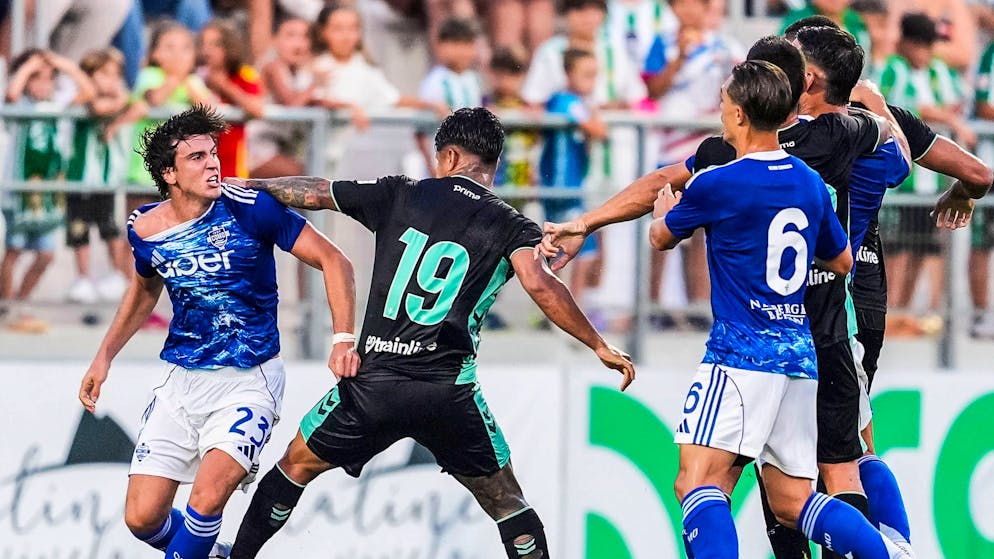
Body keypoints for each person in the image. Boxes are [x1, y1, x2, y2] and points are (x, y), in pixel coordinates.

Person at [224, 107, 636, 559]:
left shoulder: (400, 194)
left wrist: (242, 187)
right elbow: (541, 283)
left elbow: (314, 192)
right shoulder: (512, 224)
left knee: (294, 466)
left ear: (450, 156)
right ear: (493, 164)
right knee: (506, 502)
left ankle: (238, 557)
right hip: (448, 394)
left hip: (373, 384)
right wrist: (598, 343)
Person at [651, 58, 911, 559]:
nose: (721, 112)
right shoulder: (809, 182)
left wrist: (663, 214)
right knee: (795, 501)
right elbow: (840, 260)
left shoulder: (717, 182)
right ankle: (887, 554)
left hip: (740, 354)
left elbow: (662, 238)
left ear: (742, 115)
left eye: (725, 103)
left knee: (696, 484)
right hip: (800, 354)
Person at [76, 105, 359, 559]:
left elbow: (335, 261)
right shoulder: (145, 229)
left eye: (214, 153)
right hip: (181, 382)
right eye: (197, 158)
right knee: (142, 518)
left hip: (248, 381)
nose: (213, 164)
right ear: (168, 173)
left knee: (205, 501)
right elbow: (145, 290)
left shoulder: (251, 209)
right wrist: (103, 356)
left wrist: (343, 338)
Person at [879, 12, 970, 335]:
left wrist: (946, 114)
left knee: (921, 250)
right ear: (905, 42)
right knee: (896, 252)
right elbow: (898, 110)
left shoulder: (938, 71)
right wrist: (946, 118)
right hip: (901, 184)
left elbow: (956, 101)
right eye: (921, 45)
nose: (925, 52)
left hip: (931, 184)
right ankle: (887, 315)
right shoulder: (892, 68)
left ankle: (904, 316)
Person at [0, 49, 94, 333]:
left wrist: (62, 63)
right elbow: (12, 95)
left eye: (48, 79)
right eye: (36, 79)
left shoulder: (57, 106)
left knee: (46, 255)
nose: (43, 84)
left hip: (49, 195)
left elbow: (87, 92)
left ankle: (19, 303)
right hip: (21, 193)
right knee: (14, 249)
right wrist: (28, 67)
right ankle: (6, 305)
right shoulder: (21, 106)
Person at [65, 47, 140, 305]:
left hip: (107, 181)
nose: (111, 80)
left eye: (115, 75)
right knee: (79, 229)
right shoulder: (82, 99)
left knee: (110, 229)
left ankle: (117, 274)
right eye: (104, 74)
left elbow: (139, 105)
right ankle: (83, 277)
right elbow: (97, 107)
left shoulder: (120, 102)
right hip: (80, 179)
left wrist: (118, 117)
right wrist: (120, 100)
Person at [540, 48, 607, 314]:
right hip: (561, 187)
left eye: (595, 75)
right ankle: (563, 309)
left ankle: (569, 306)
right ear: (569, 74)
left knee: (581, 247)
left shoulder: (577, 103)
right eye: (586, 75)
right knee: (572, 246)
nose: (592, 82)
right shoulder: (564, 102)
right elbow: (598, 129)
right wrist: (594, 117)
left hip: (575, 186)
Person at [198, 18, 265, 180]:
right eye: (204, 44)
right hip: (199, 168)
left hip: (233, 170)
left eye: (215, 45)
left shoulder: (244, 74)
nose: (207, 51)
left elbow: (257, 109)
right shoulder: (195, 77)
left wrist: (225, 86)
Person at [250, 16, 316, 179]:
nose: (298, 44)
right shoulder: (272, 67)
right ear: (275, 40)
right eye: (290, 36)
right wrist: (317, 85)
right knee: (305, 174)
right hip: (255, 147)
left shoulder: (302, 73)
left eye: (305, 37)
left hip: (282, 147)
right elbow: (292, 105)